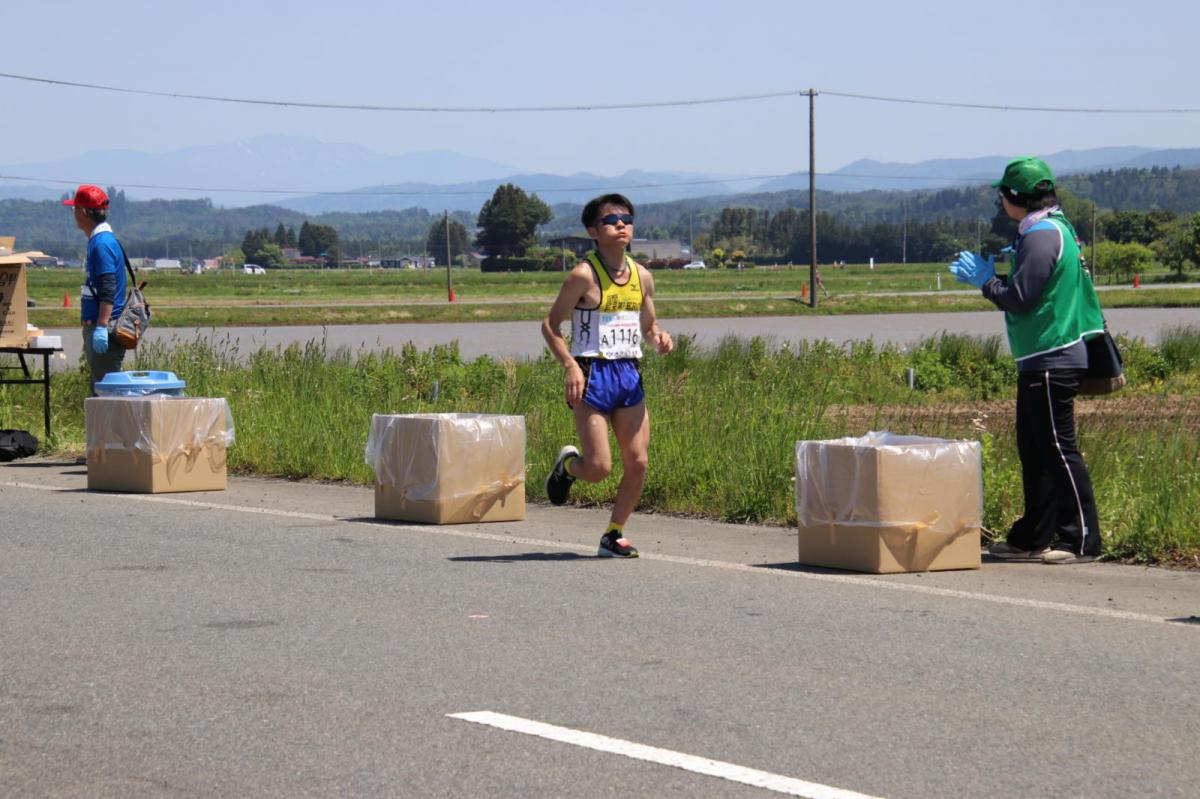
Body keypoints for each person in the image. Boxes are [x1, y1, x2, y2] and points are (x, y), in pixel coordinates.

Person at [949, 157, 1105, 564]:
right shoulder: (1051, 229)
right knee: (1035, 452)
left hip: (1053, 357)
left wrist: (986, 281)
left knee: (1057, 449)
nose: (1001, 203)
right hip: (1040, 358)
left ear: (1014, 198)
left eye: (1003, 196)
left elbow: (1019, 299)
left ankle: (1081, 540)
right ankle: (1030, 537)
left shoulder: (1040, 235)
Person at [541, 194, 673, 558]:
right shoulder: (582, 276)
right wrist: (569, 365)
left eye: (627, 218)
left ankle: (613, 534)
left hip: (628, 373)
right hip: (591, 375)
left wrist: (659, 336)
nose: (621, 224)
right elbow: (550, 325)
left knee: (639, 461)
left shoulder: (642, 276)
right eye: (611, 219)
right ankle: (568, 466)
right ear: (592, 231)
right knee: (598, 467)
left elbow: (649, 324)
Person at [65, 185, 128, 394]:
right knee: (101, 391)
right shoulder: (101, 240)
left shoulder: (101, 244)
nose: (73, 214)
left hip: (105, 329)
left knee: (106, 394)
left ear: (83, 212)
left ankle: (110, 429)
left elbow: (108, 288)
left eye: (74, 209)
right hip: (101, 326)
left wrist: (101, 326)